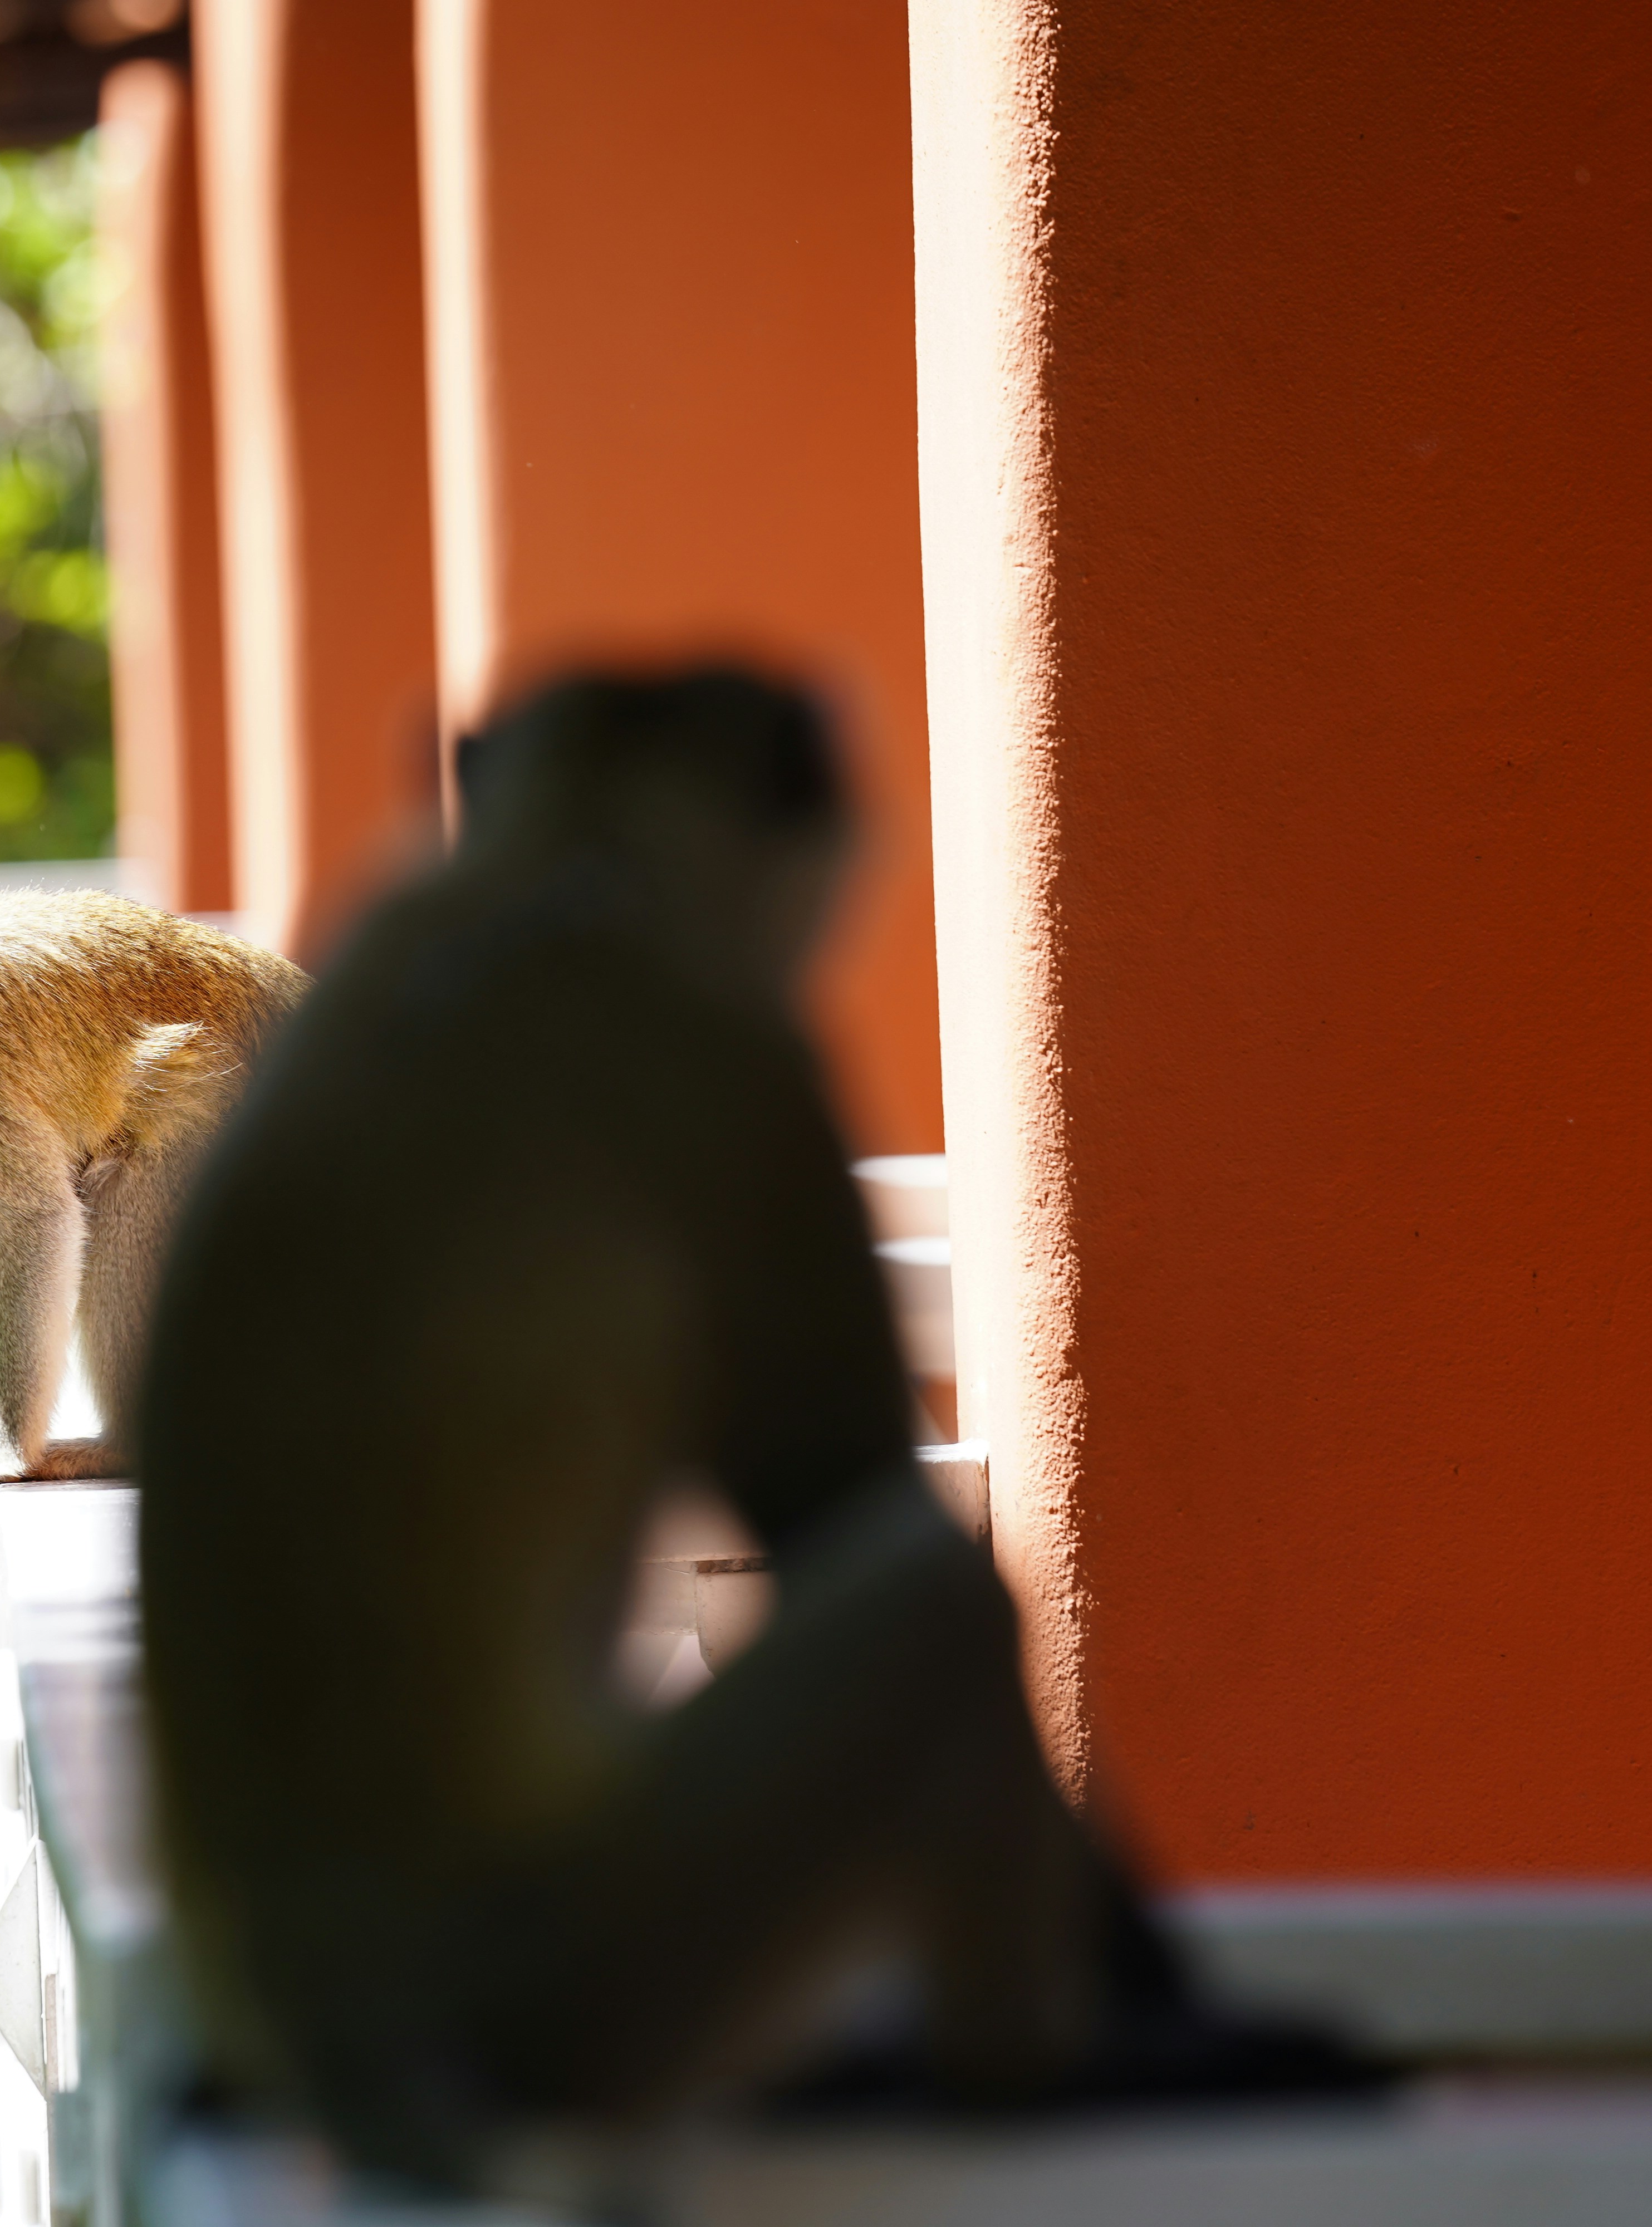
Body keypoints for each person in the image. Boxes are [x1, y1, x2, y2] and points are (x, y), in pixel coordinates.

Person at [134, 670, 1368, 2189]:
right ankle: (1028, 2052)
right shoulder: (683, 1017)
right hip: (495, 2019)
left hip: (276, 2017)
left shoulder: (377, 989)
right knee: (932, 1601)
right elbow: (855, 1530)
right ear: (790, 833)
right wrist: (1166, 2000)